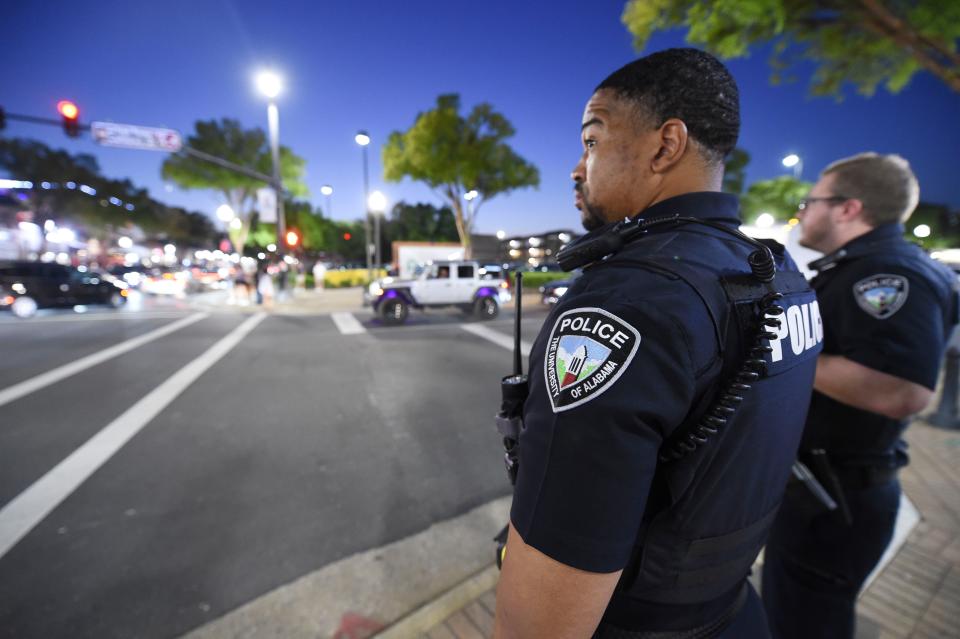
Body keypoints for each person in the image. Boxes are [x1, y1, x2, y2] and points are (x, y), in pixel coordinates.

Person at [493, 48, 821, 638]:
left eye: (591, 141)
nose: (576, 166)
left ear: (665, 146)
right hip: (735, 613)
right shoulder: (777, 274)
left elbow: (540, 624)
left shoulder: (625, 303)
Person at [761, 153, 958, 638]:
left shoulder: (888, 275)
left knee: (805, 623)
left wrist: (787, 355)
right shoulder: (859, 267)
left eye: (812, 201)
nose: (804, 210)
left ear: (848, 208)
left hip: (834, 496)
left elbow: (902, 390)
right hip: (826, 489)